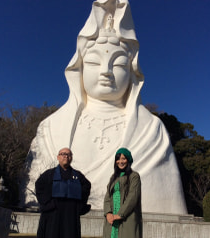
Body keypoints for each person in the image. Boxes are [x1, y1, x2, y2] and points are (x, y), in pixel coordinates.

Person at [23, 0, 187, 214]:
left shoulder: (151, 131)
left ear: (132, 72)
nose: (106, 71)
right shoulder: (51, 128)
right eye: (93, 62)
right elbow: (34, 190)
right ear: (79, 69)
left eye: (118, 64)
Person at [35, 148, 91, 238]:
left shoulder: (77, 176)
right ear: (58, 157)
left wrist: (78, 206)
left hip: (70, 215)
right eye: (63, 154)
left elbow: (86, 187)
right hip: (52, 214)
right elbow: (39, 187)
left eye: (68, 154)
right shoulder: (49, 174)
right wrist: (49, 203)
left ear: (71, 158)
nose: (66, 156)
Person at [103, 148, 142, 238]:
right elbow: (107, 196)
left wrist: (120, 214)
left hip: (126, 217)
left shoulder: (134, 176)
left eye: (123, 159)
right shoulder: (113, 177)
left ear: (128, 160)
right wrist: (108, 213)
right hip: (112, 217)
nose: (120, 161)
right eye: (118, 159)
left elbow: (133, 196)